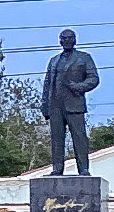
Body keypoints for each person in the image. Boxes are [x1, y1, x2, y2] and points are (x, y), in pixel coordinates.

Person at [41, 29, 100, 175]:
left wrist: (78, 87)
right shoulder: (54, 61)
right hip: (55, 106)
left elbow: (94, 79)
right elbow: (47, 84)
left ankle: (84, 169)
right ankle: (57, 168)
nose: (66, 41)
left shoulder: (84, 58)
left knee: (79, 138)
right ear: (60, 41)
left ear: (75, 40)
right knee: (56, 139)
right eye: (63, 38)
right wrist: (45, 106)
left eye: (69, 38)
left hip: (74, 104)